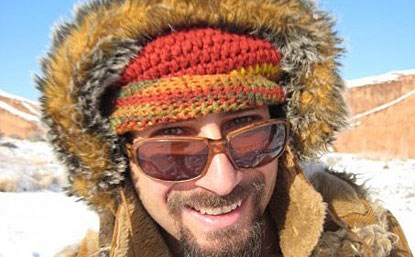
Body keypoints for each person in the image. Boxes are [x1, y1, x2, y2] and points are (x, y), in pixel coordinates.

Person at [37, 0, 412, 256]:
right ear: (119, 158)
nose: (223, 182)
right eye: (173, 151)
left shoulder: (370, 239)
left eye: (250, 133)